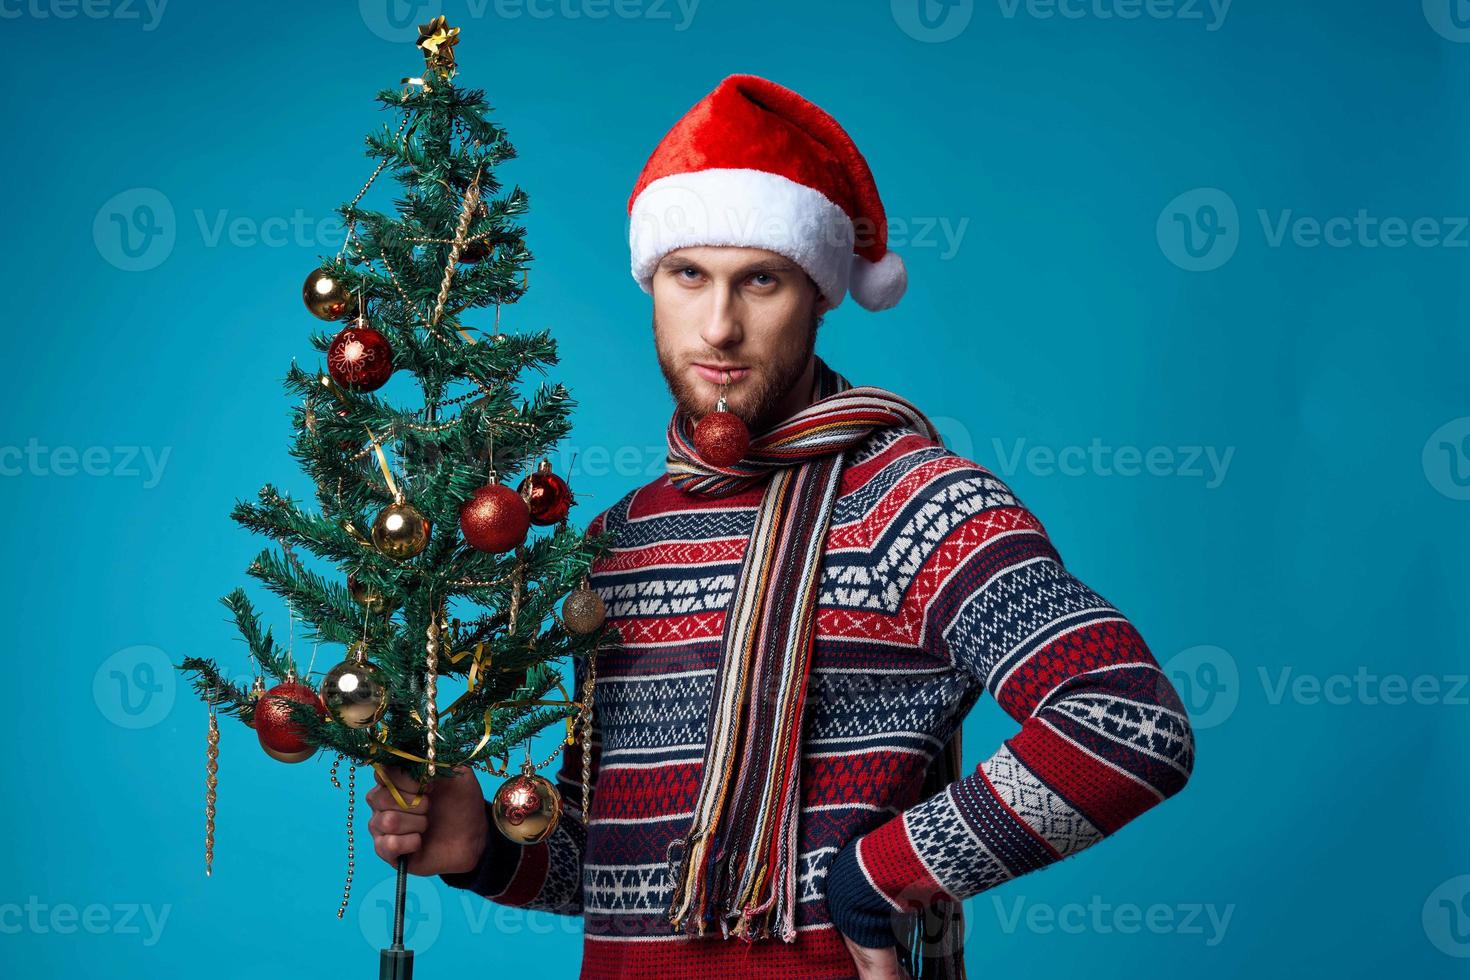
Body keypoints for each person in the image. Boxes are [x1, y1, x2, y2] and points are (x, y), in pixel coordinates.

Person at [367, 73, 1195, 980]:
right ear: (652, 282)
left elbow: (1126, 723)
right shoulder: (618, 539)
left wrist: (879, 879)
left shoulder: (915, 504)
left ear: (820, 290)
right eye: (689, 276)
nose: (719, 327)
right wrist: (486, 844)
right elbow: (621, 869)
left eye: (759, 280)